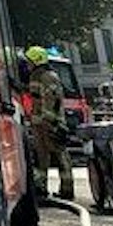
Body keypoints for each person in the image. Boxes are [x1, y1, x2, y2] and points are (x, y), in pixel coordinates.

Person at [25, 45, 75, 200]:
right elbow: (36, 99)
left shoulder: (48, 76)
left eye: (29, 61)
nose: (28, 65)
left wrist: (52, 123)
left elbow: (51, 102)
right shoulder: (36, 76)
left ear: (36, 61)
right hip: (39, 124)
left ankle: (67, 190)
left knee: (60, 155)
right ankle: (41, 188)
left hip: (52, 123)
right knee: (41, 157)